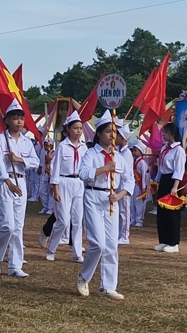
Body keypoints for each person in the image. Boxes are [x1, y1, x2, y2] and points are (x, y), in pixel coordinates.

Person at [76, 114, 133, 301]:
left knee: (111, 245)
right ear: (99, 133)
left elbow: (129, 179)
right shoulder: (91, 153)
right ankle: (84, 277)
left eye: (114, 132)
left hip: (111, 200)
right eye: (108, 131)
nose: (111, 135)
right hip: (93, 196)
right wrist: (104, 168)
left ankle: (108, 286)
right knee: (98, 243)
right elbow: (83, 173)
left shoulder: (119, 156)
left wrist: (120, 195)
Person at [0, 99, 40, 278]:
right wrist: (7, 182)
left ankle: (15, 266)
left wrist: (19, 159)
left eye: (21, 118)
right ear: (7, 120)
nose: (19, 122)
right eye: (15, 118)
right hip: (4, 184)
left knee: (18, 227)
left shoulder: (26, 142)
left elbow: (35, 161)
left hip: (21, 182)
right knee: (7, 226)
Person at [46, 110, 87, 263]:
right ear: (68, 129)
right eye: (75, 128)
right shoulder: (62, 147)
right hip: (63, 182)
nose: (78, 131)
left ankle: (77, 252)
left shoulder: (83, 148)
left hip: (78, 183)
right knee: (63, 220)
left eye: (80, 128)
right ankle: (51, 248)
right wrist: (55, 188)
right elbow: (55, 169)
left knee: (77, 220)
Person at [154, 122, 186, 253]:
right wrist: (156, 181)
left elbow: (179, 170)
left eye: (165, 132)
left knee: (172, 213)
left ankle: (174, 242)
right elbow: (161, 167)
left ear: (171, 134)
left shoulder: (179, 150)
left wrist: (175, 187)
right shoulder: (164, 148)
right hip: (163, 180)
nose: (163, 135)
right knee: (162, 213)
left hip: (173, 181)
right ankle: (164, 240)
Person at [115, 121, 134, 245]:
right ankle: (119, 234)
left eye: (117, 135)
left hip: (125, 185)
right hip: (118, 184)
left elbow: (125, 172)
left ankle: (125, 235)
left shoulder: (127, 153)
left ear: (122, 138)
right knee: (119, 210)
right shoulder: (119, 151)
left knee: (125, 211)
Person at [130, 141, 149, 227]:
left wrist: (144, 187)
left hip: (139, 185)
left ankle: (139, 219)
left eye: (135, 150)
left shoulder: (142, 163)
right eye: (133, 150)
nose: (134, 152)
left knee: (139, 203)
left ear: (141, 152)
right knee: (132, 203)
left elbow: (144, 176)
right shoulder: (133, 161)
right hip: (133, 184)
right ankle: (133, 218)